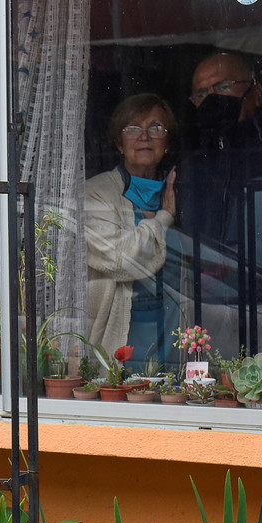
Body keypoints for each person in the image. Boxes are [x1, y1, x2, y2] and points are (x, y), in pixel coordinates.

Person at [176, 51, 262, 356]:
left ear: (256, 91)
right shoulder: (190, 167)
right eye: (202, 93)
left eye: (224, 86)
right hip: (206, 306)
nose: (212, 99)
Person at [85, 93, 178, 363]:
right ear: (119, 142)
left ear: (167, 143)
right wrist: (163, 219)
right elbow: (121, 258)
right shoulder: (95, 194)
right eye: (133, 128)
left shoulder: (180, 190)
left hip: (170, 329)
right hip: (121, 332)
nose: (144, 136)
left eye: (156, 128)